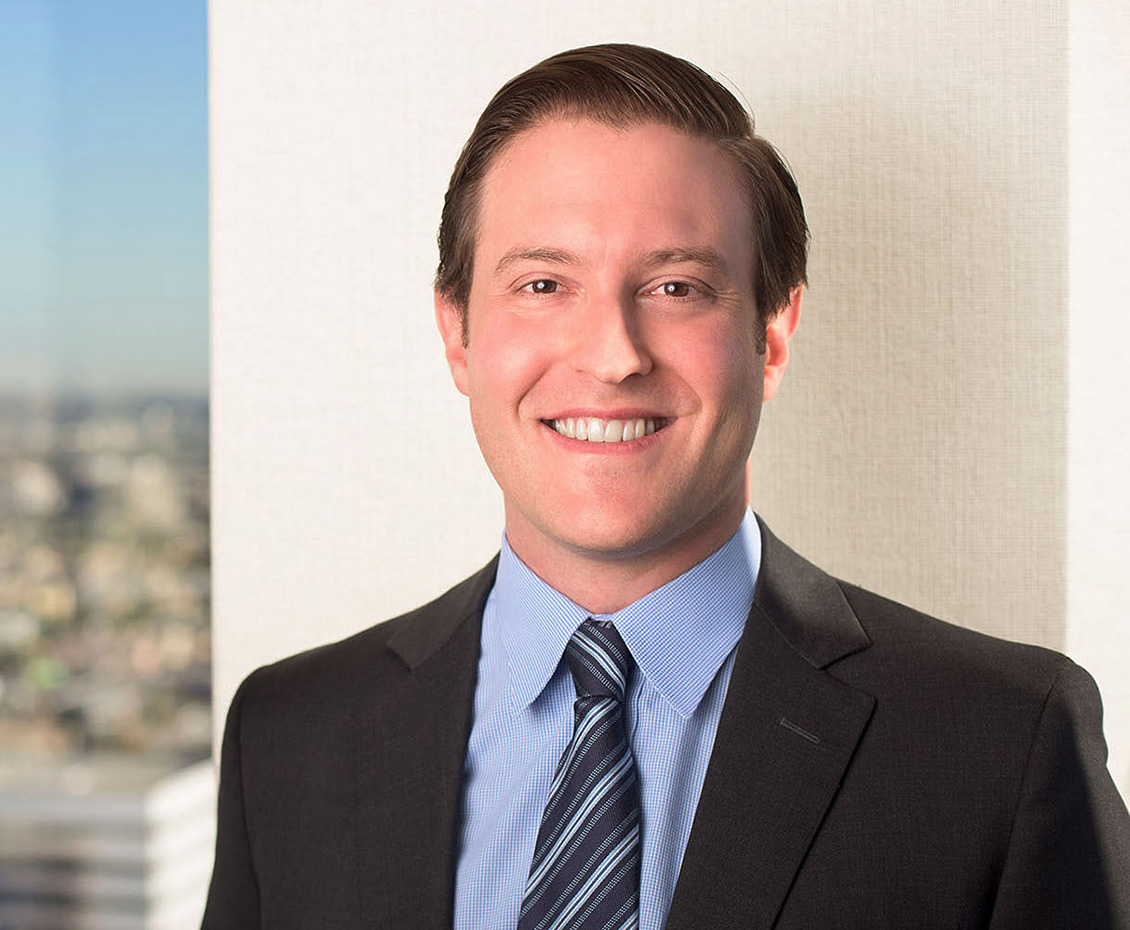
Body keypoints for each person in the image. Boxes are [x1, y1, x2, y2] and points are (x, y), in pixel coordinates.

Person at [202, 44, 1130, 929]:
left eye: (677, 288)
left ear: (772, 334)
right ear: (458, 334)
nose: (613, 356)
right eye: (543, 285)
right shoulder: (287, 736)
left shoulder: (1003, 744)